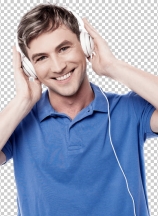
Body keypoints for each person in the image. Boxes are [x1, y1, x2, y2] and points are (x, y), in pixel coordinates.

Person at [0, 3, 158, 216]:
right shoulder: (19, 121)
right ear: (30, 67)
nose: (58, 67)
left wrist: (112, 66)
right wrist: (22, 101)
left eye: (64, 48)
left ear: (84, 45)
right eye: (41, 58)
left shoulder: (127, 110)